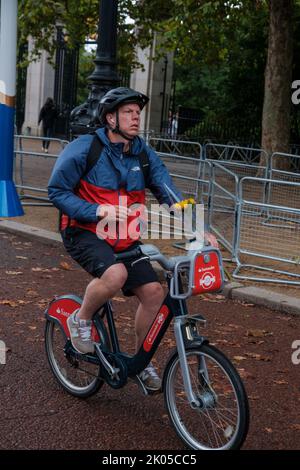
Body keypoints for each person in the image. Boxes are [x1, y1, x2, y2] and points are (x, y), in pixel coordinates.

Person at [48, 87, 218, 391]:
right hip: (84, 230)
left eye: (137, 112)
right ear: (110, 118)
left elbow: (169, 191)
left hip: (124, 237)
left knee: (154, 293)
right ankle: (80, 319)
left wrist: (198, 228)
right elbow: (56, 191)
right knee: (115, 274)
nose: (135, 116)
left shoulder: (142, 152)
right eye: (128, 111)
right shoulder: (85, 148)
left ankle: (141, 361)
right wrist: (96, 210)